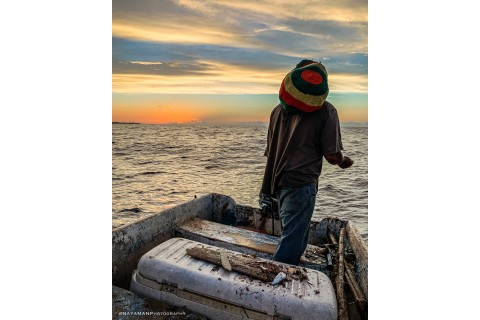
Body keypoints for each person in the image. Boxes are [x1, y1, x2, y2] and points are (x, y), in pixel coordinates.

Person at [260, 59, 353, 265]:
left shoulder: (277, 110)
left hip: (277, 181)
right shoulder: (327, 110)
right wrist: (344, 161)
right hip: (301, 183)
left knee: (290, 232)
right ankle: (278, 280)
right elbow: (332, 155)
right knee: (292, 241)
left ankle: (285, 270)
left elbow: (271, 152)